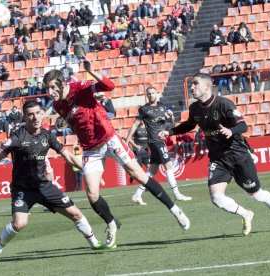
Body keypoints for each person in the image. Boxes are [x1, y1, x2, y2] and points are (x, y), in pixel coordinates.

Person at [43, 57, 190, 249]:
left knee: (138, 175)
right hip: (90, 149)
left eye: (53, 87)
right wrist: (63, 123)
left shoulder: (80, 87)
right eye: (47, 88)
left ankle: (175, 210)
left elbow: (109, 86)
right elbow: (75, 119)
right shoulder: (57, 105)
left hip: (109, 138)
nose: (50, 92)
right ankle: (112, 223)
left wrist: (92, 70)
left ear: (63, 83)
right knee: (92, 195)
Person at [159, 73, 270, 235]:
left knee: (256, 194)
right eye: (191, 84)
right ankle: (246, 214)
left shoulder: (224, 104)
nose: (191, 87)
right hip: (218, 159)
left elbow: (243, 126)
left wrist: (231, 130)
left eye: (195, 84)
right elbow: (189, 125)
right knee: (216, 198)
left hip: (238, 155)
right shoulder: (194, 108)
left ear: (207, 86)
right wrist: (170, 131)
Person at [0, 100, 105, 264]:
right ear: (24, 116)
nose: (35, 117)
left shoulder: (48, 135)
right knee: (19, 223)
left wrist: (88, 171)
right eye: (30, 114)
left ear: (42, 114)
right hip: (23, 188)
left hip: (44, 186)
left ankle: (94, 243)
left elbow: (69, 156)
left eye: (38, 113)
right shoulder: (17, 137)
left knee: (76, 214)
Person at [127, 87, 192, 204]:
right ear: (147, 95)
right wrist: (127, 140)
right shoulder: (144, 109)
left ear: (156, 94)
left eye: (153, 93)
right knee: (169, 166)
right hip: (155, 141)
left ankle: (137, 195)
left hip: (159, 141)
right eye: (149, 94)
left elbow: (170, 120)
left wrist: (170, 115)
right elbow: (135, 125)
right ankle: (177, 195)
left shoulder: (162, 105)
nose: (151, 95)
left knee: (152, 171)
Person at [128, 122, 150, 204]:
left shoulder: (147, 127)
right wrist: (136, 146)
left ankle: (147, 185)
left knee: (149, 167)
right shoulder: (135, 128)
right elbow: (129, 138)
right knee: (138, 170)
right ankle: (132, 176)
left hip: (146, 151)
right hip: (138, 152)